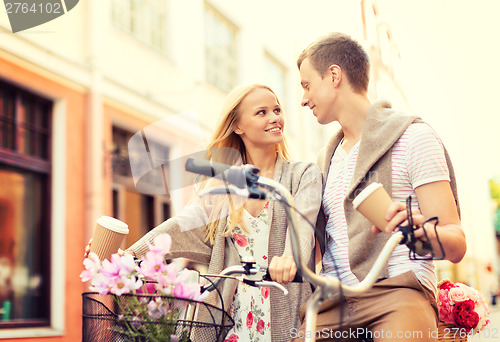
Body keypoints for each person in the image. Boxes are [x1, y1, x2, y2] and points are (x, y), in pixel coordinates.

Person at [92, 84, 322, 342]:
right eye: (262, 112)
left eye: (277, 110)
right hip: (233, 322)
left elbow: (303, 226)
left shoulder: (303, 174)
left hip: (287, 318)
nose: (275, 118)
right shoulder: (223, 184)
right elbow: (181, 226)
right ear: (238, 126)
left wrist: (290, 258)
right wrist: (130, 254)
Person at [292, 32, 467, 341]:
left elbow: (456, 243)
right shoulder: (323, 162)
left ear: (334, 75)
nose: (303, 99)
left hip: (398, 291)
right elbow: (314, 246)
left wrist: (422, 230)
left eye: (306, 85)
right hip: (335, 301)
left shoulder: (413, 137)